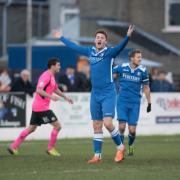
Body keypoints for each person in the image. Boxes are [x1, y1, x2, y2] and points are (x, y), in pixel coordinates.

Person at [53, 25, 134, 163]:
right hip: (95, 93)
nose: (99, 39)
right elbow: (74, 46)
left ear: (105, 42)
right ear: (94, 40)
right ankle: (97, 155)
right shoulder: (90, 51)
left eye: (102, 38)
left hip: (108, 92)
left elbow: (120, 47)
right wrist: (61, 37)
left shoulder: (109, 52)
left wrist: (127, 36)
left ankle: (120, 147)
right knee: (96, 125)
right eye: (97, 37)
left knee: (108, 123)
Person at [8, 58, 73, 156]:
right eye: (58, 65)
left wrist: (65, 97)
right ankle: (50, 148)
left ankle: (13, 146)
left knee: (31, 128)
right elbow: (38, 90)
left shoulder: (51, 76)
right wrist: (51, 97)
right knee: (57, 126)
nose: (60, 67)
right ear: (52, 66)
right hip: (41, 107)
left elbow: (55, 88)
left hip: (38, 107)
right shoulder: (45, 76)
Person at [113, 49, 151, 156]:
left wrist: (149, 103)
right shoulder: (122, 67)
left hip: (135, 103)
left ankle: (131, 145)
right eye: (138, 57)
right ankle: (120, 149)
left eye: (140, 57)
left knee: (132, 130)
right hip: (122, 101)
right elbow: (110, 71)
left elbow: (146, 87)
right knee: (121, 127)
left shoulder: (143, 71)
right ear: (132, 58)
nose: (140, 59)